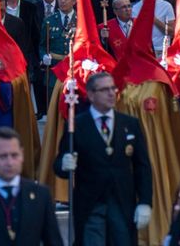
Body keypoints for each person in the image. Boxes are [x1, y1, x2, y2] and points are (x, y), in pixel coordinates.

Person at [55, 72, 152, 246]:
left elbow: (142, 166)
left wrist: (145, 201)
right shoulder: (77, 125)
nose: (111, 93)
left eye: (113, 88)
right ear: (91, 95)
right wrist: (64, 163)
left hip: (122, 201)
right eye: (104, 89)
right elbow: (60, 165)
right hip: (91, 202)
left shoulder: (129, 124)